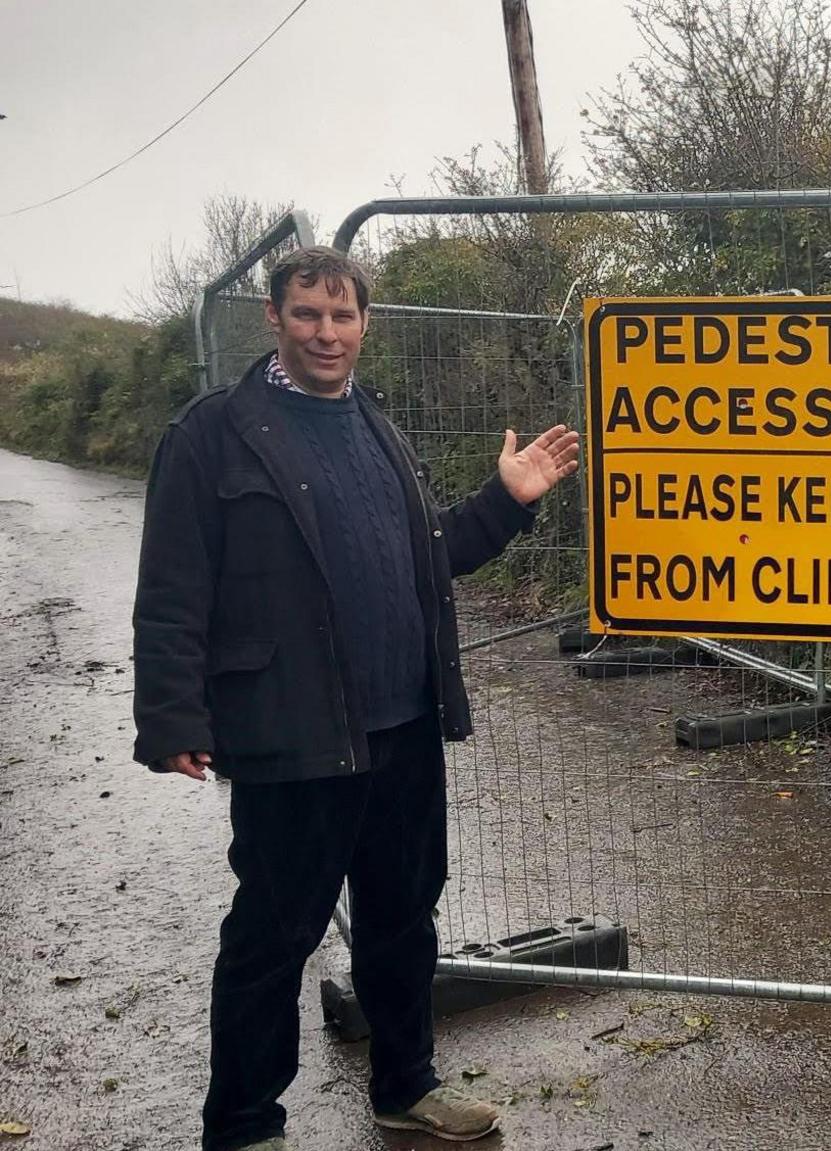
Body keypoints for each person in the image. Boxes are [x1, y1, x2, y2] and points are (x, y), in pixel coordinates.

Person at [131, 246, 581, 1150]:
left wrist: (506, 499)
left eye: (342, 317)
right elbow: (174, 587)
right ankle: (245, 1124)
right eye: (307, 315)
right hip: (292, 732)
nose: (326, 333)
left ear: (365, 324)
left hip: (402, 726)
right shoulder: (214, 431)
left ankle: (406, 1086)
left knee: (403, 919)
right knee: (273, 935)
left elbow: (425, 554)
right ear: (274, 318)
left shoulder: (376, 424)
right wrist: (172, 714)